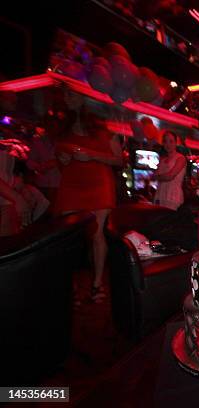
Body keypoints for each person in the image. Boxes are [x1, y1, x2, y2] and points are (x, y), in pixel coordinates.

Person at [54, 106, 123, 302]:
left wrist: (91, 154)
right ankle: (71, 286)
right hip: (72, 183)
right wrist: (63, 158)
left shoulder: (104, 132)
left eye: (73, 97)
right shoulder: (64, 133)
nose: (69, 100)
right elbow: (58, 158)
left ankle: (97, 284)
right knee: (69, 237)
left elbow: (119, 160)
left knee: (96, 234)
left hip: (99, 183)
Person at [152, 131, 186, 210]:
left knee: (170, 220)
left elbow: (170, 176)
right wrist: (161, 176)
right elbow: (155, 176)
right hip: (160, 195)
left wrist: (159, 177)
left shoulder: (180, 158)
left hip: (173, 196)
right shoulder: (162, 159)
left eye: (171, 141)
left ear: (175, 143)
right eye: (165, 141)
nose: (168, 144)